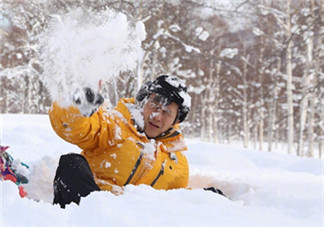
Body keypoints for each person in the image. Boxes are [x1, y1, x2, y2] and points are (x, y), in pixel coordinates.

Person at [49, 75, 192, 208]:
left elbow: (179, 203)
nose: (157, 116)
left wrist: (207, 196)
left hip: (133, 219)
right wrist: (77, 107)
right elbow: (74, 128)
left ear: (176, 120)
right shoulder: (114, 125)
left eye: (167, 112)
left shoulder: (178, 163)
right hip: (92, 206)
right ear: (143, 101)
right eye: (154, 105)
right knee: (72, 163)